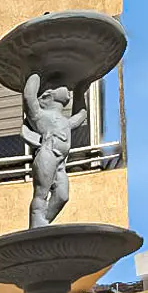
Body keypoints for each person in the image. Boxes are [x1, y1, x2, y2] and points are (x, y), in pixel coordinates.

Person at [23, 73, 90, 228]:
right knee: (41, 193)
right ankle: (35, 224)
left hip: (61, 162)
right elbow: (28, 97)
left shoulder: (64, 121)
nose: (67, 88)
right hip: (48, 154)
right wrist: (35, 72)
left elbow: (80, 116)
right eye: (61, 85)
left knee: (62, 195)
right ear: (48, 94)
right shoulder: (40, 116)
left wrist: (80, 91)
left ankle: (43, 221)